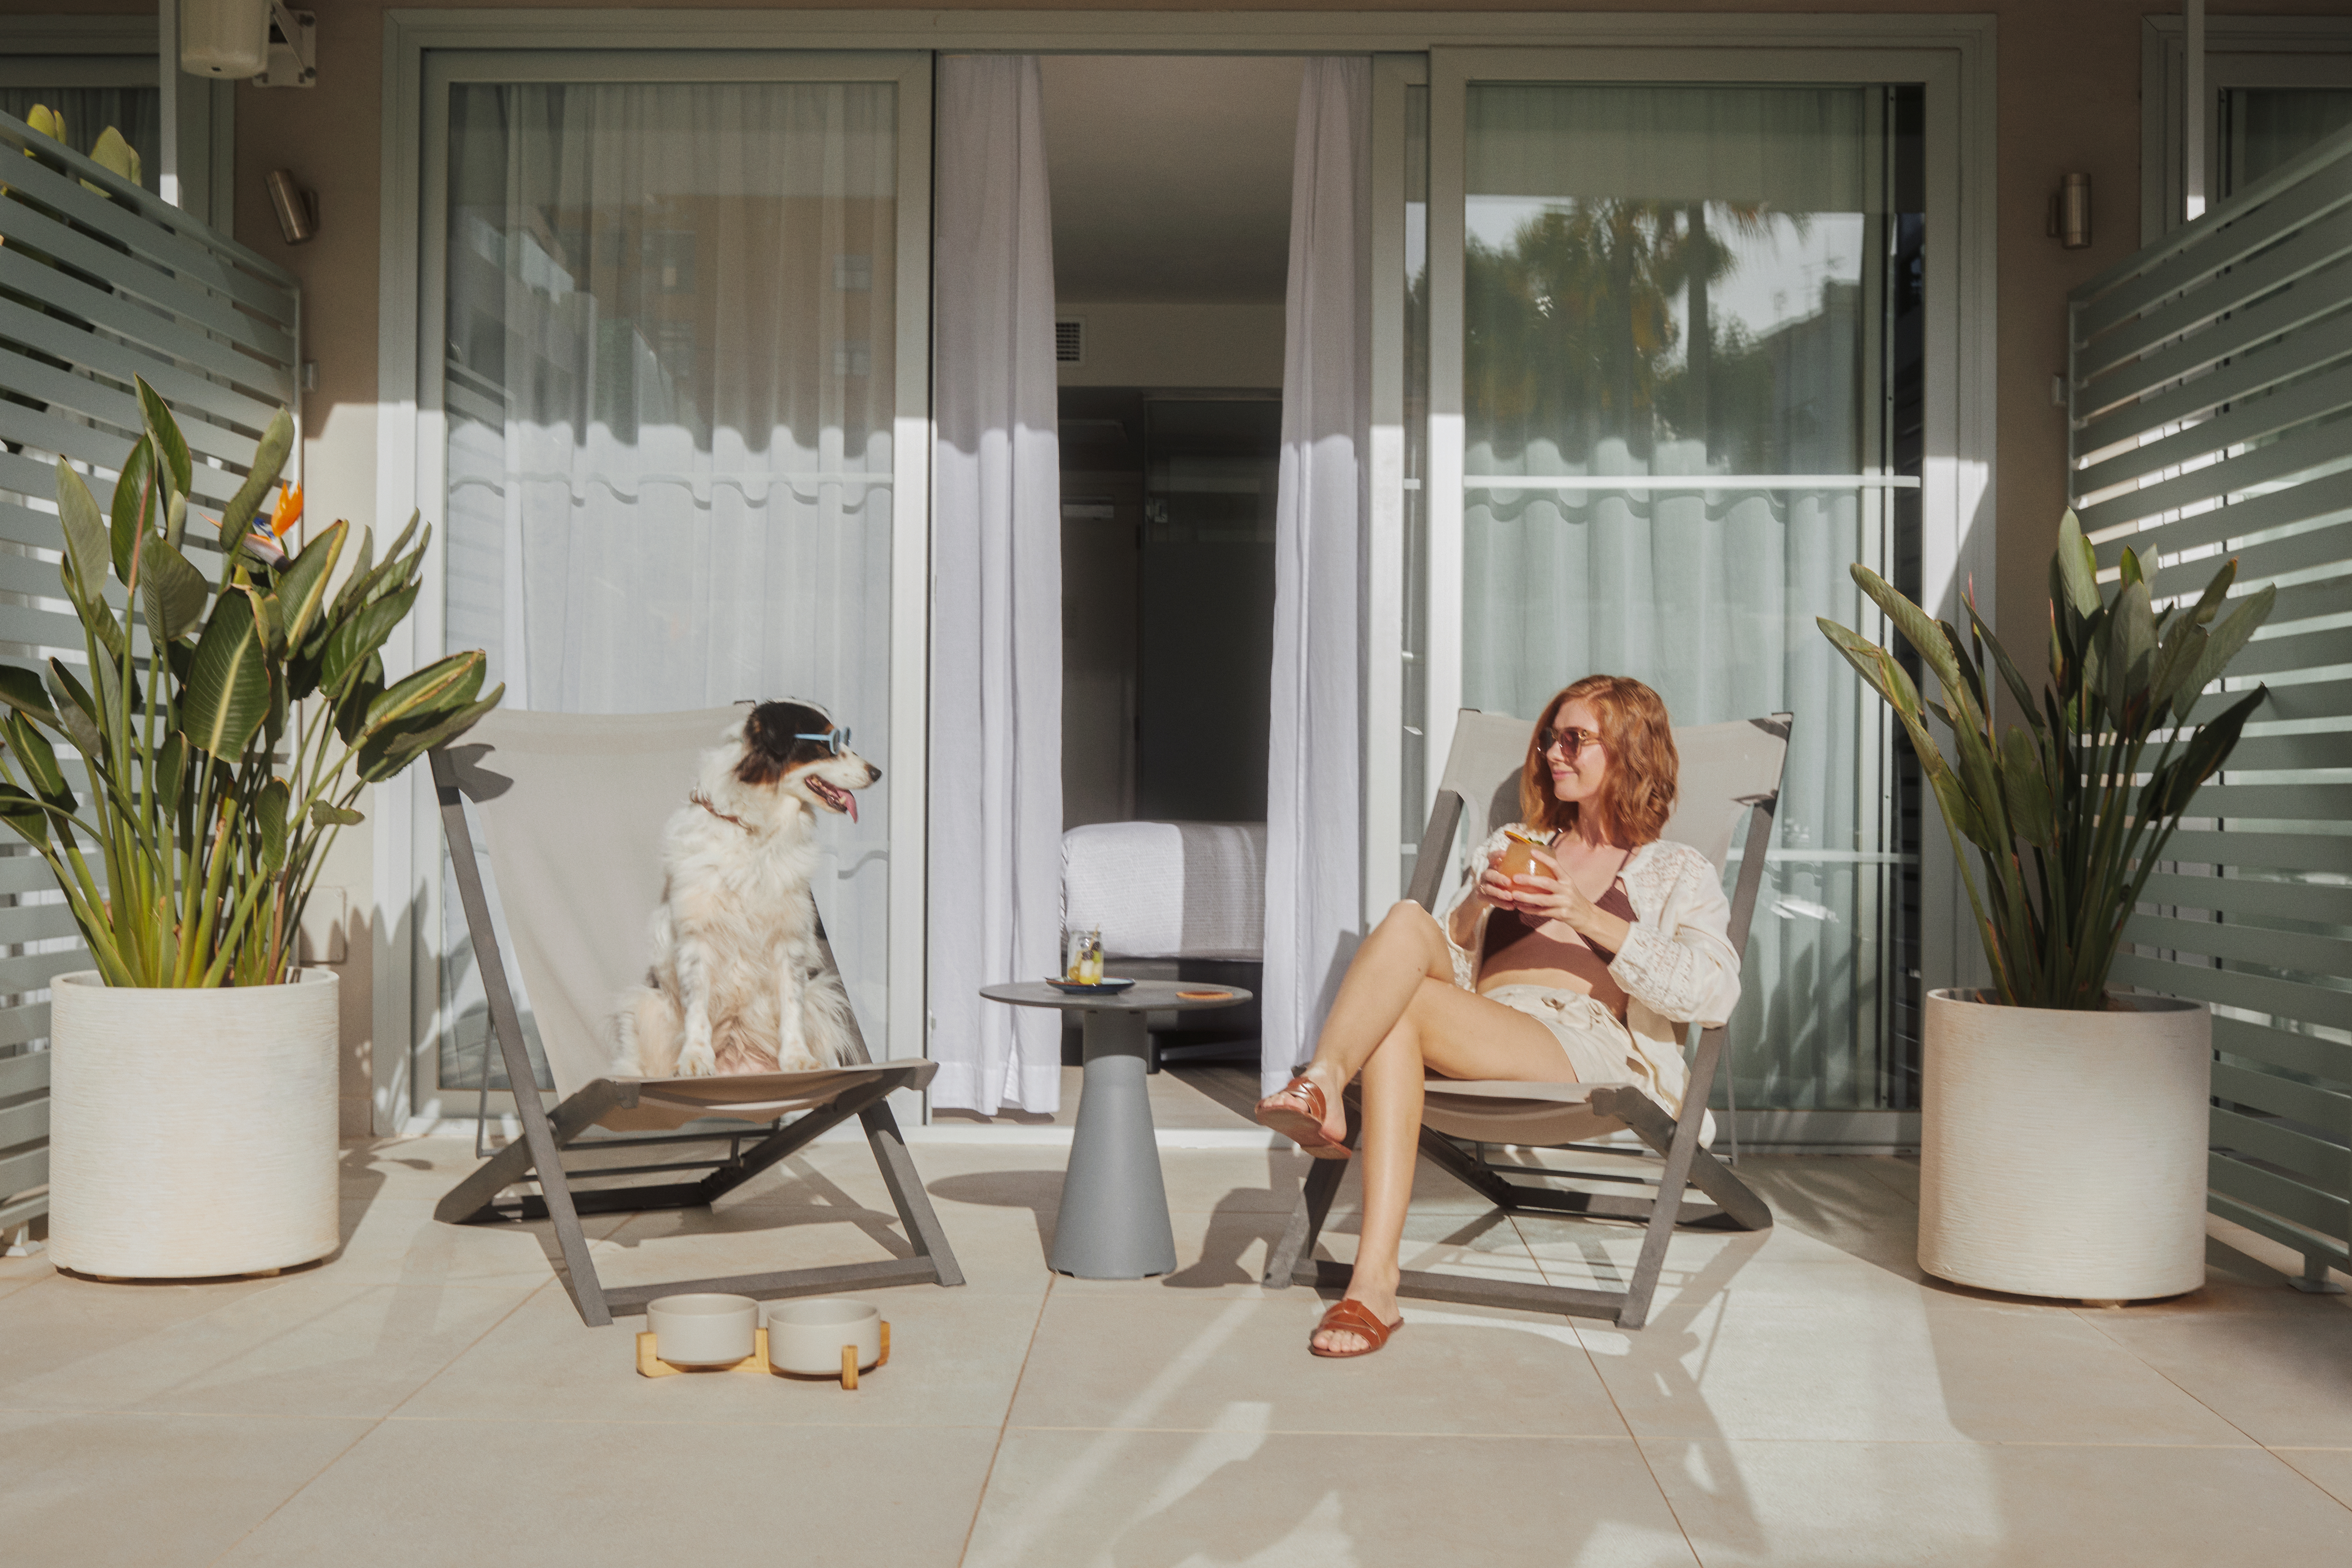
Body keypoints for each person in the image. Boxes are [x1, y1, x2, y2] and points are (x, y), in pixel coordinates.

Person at [1255, 674, 1741, 1357]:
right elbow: (1452, 970)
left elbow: (1713, 992)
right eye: (1549, 737)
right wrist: (1475, 907)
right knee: (1405, 921)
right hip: (1486, 1024)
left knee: (1404, 1007)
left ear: (1630, 750)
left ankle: (1372, 1281)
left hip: (1586, 1043)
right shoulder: (1515, 844)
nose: (1552, 752)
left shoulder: (1674, 870)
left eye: (1575, 738)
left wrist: (1582, 913)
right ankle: (1328, 1088)